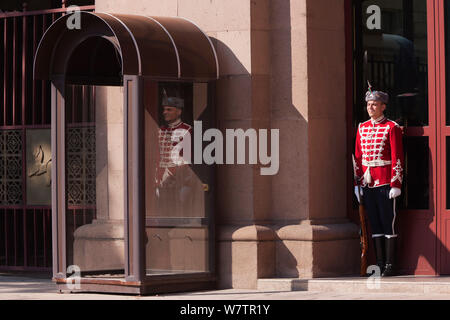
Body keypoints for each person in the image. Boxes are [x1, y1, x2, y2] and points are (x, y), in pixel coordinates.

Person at [354, 84, 404, 277]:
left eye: (375, 104)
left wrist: (396, 183)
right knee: (374, 223)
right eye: (369, 104)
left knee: (387, 223)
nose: (371, 107)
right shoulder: (362, 127)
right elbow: (358, 157)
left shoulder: (392, 127)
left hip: (385, 182)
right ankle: (380, 262)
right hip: (368, 183)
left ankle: (390, 265)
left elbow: (397, 156)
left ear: (383, 106)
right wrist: (357, 184)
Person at [155, 94, 194, 217]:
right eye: (164, 109)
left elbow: (189, 156)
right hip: (162, 173)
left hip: (180, 173)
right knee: (162, 205)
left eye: (169, 109)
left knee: (181, 205)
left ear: (178, 112)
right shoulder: (161, 130)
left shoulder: (187, 129)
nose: (164, 112)